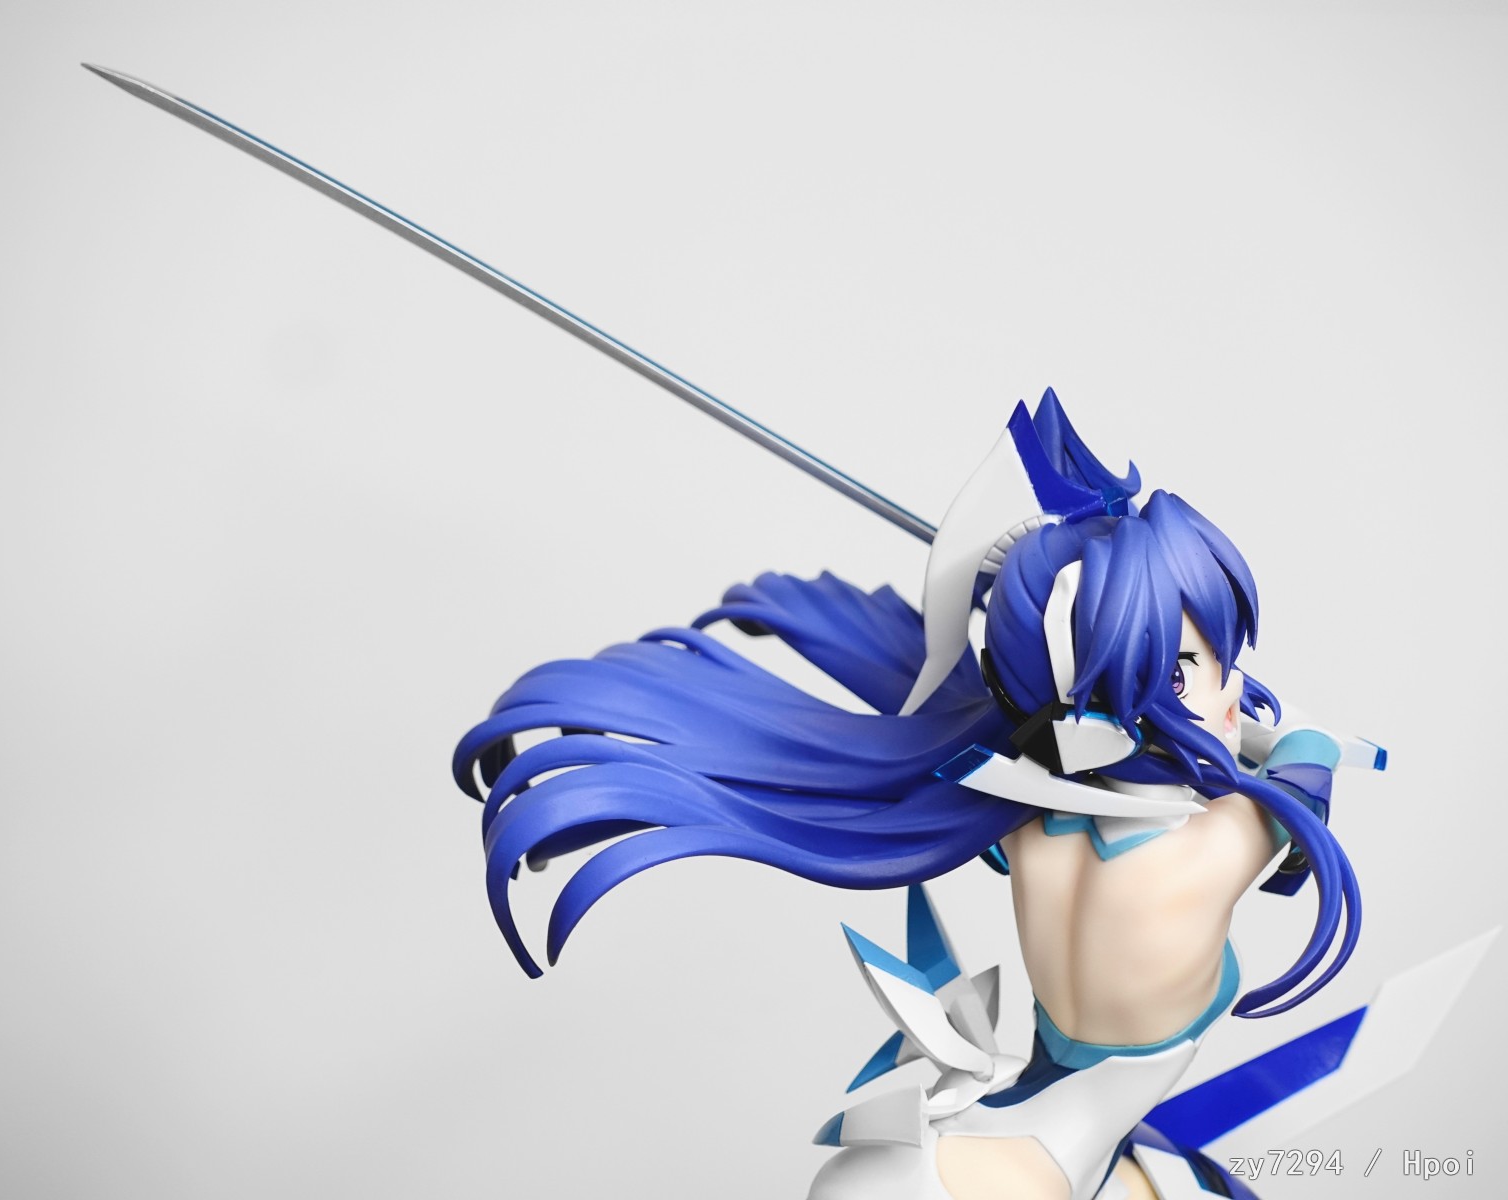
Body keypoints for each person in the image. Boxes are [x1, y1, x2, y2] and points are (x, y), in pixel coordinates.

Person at [454, 391, 1361, 1199]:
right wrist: (1268, 720)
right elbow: (1308, 764)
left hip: (1035, 1118)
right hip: (1053, 1163)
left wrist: (1158, 674)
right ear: (1119, 696)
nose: (1232, 686)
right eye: (1198, 665)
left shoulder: (1029, 816)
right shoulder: (1209, 852)